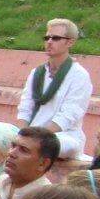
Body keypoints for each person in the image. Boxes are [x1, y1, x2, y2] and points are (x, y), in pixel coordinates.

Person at [15, 17, 93, 159]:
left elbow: (68, 116)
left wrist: (35, 138)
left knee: (47, 145)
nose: (49, 42)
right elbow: (25, 108)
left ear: (70, 42)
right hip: (31, 132)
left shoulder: (79, 76)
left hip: (64, 136)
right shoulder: (37, 73)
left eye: (55, 38)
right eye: (47, 38)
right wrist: (22, 133)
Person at [0, 125, 57, 199]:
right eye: (13, 146)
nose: (11, 153)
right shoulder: (0, 182)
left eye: (24, 150)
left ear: (43, 164)